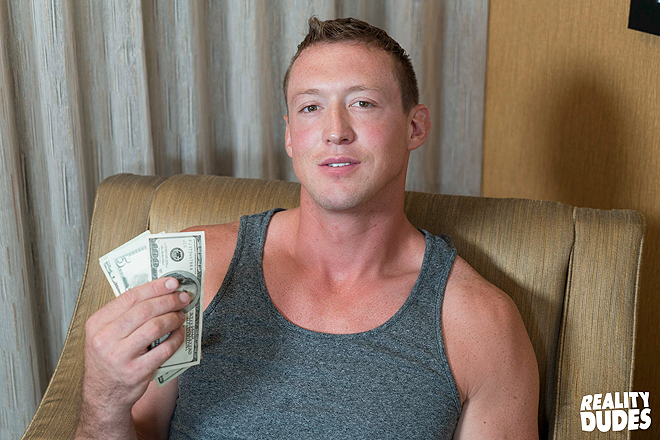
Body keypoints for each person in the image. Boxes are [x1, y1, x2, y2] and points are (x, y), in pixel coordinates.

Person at [76, 17, 539, 440]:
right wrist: (103, 401)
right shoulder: (198, 271)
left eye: (362, 103)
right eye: (311, 107)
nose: (335, 131)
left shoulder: (481, 325)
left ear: (415, 127)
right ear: (290, 136)